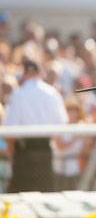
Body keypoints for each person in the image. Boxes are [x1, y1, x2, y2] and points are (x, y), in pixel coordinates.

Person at [3, 59, 69, 192]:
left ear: (24, 74)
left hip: (23, 152)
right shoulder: (52, 93)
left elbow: (9, 128)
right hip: (45, 151)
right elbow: (63, 124)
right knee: (45, 197)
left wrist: (11, 153)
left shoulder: (18, 94)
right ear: (40, 73)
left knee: (21, 197)